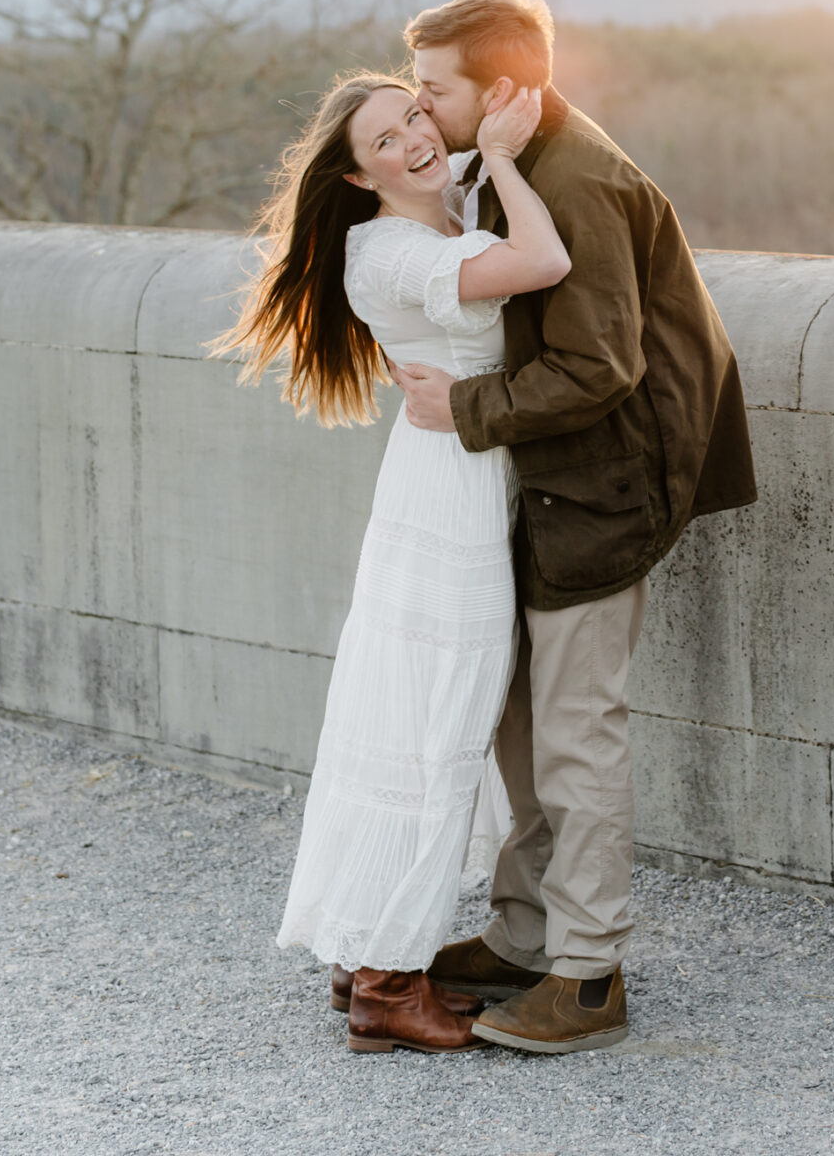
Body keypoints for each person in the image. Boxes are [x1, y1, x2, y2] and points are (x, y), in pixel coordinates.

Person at [394, 0, 757, 1055]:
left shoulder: (582, 181)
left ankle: (588, 977)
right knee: (515, 718)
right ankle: (522, 937)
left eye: (433, 89)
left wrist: (460, 409)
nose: (419, 109)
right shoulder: (516, 165)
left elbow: (598, 368)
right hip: (543, 477)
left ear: (503, 89)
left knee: (576, 731)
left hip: (606, 482)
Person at [224, 66, 571, 1055]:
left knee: (416, 714)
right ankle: (385, 985)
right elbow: (540, 260)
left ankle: (363, 952)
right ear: (360, 175)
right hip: (446, 493)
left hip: (456, 468)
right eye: (385, 139)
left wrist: (488, 129)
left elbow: (476, 141)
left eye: (415, 115)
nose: (415, 139)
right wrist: (497, 155)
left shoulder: (437, 202)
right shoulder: (384, 254)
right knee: (434, 721)